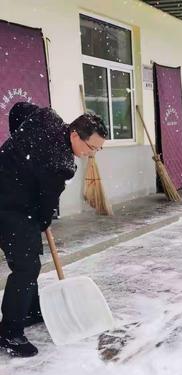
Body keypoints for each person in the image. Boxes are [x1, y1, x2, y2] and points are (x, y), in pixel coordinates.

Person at [0, 102, 108, 357]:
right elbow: (47, 207)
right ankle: (9, 333)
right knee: (26, 266)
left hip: (12, 193)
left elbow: (18, 110)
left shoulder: (47, 117)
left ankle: (29, 309)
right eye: (91, 147)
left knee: (29, 259)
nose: (91, 154)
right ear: (74, 134)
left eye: (98, 150)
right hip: (9, 206)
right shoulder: (60, 163)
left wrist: (18, 143)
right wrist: (42, 221)